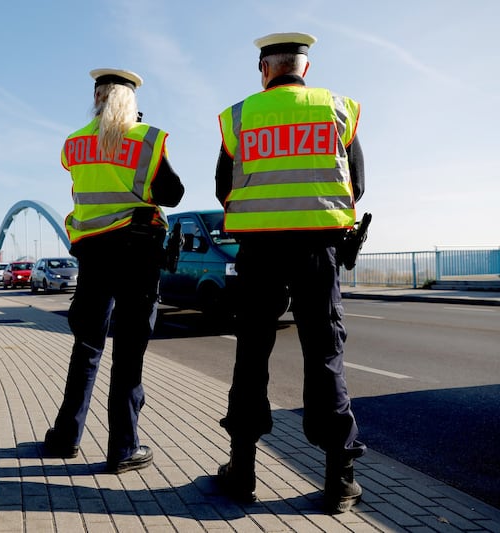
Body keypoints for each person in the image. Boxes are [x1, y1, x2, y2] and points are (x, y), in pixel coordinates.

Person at [214, 33, 366, 513]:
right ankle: (340, 479)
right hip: (317, 249)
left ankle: (242, 472)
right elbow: (356, 184)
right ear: (306, 67)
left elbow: (224, 189)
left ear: (264, 69)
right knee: (325, 355)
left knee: (251, 355)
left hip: (258, 252)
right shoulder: (336, 109)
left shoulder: (239, 117)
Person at [43, 68, 184, 474]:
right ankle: (123, 447)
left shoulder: (75, 143)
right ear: (131, 103)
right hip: (138, 252)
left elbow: (82, 188)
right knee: (128, 351)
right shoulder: (145, 139)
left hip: (93, 254)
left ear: (97, 98)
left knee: (86, 346)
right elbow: (172, 193)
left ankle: (66, 437)